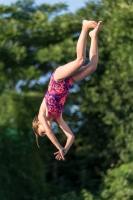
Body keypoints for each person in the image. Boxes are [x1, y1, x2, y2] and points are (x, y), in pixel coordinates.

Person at [32, 20, 103, 161]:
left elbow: (51, 132)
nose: (46, 131)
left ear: (39, 124)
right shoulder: (58, 117)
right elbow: (71, 136)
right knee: (92, 66)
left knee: (80, 60)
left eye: (42, 131)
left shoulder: (41, 114)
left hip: (58, 78)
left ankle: (84, 27)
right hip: (69, 82)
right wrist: (64, 149)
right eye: (44, 133)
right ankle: (93, 35)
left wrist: (58, 146)